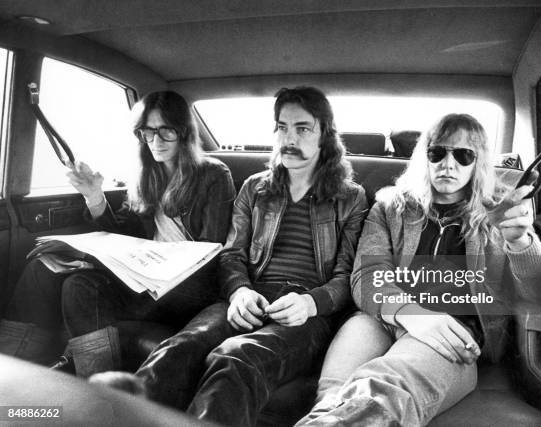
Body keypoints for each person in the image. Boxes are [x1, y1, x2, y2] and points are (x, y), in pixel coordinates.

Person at [91, 86, 369, 425]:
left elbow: (347, 277)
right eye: (282, 127)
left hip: (308, 314)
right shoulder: (255, 187)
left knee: (236, 356)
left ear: (325, 134)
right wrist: (238, 291)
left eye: (302, 128)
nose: (289, 138)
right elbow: (232, 254)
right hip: (247, 295)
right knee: (179, 348)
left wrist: (311, 303)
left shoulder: (350, 197)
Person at [296, 113, 541, 426]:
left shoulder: (501, 212)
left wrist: (520, 243)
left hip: (453, 330)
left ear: (478, 163)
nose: (448, 165)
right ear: (425, 157)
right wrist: (412, 313)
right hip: (380, 317)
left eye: (463, 155)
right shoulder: (391, 205)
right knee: (329, 398)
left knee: (383, 390)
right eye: (437, 153)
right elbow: (366, 278)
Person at [0, 91, 235, 376]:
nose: (155, 141)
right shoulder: (145, 175)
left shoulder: (213, 174)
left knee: (80, 280)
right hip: (144, 272)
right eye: (147, 132)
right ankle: (18, 371)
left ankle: (99, 389)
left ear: (184, 133)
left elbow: (211, 249)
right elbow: (122, 232)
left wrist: (141, 265)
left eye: (166, 131)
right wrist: (95, 197)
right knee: (50, 272)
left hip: (190, 282)